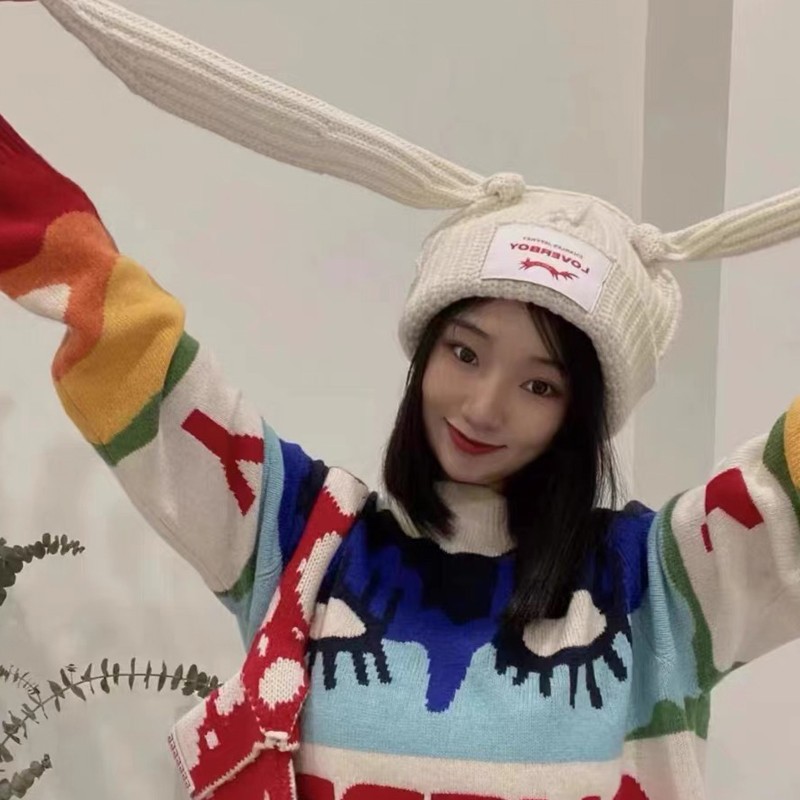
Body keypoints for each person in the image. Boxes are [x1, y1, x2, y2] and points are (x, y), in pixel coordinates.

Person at [3, 2, 800, 800]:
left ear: (580, 412)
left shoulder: (660, 587)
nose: (483, 406)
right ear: (424, 353)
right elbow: (125, 331)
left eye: (540, 384)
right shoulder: (297, 538)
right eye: (464, 352)